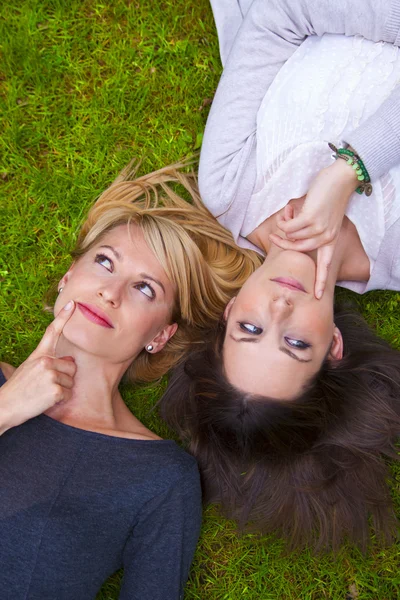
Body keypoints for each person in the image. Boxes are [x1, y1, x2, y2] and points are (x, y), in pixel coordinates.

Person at [159, 1, 400, 551]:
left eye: (249, 330)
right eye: (294, 343)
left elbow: (274, 16)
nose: (278, 310)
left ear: (228, 312)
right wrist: (350, 170)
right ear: (333, 346)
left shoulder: (229, 190)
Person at [0, 164, 260, 599]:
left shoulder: (159, 478)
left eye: (145, 289)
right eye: (104, 262)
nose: (110, 291)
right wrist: (7, 407)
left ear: (160, 335)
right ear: (68, 278)